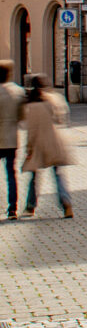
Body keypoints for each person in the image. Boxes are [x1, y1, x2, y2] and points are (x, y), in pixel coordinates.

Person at [19, 74, 71, 219]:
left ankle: (30, 206)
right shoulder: (56, 99)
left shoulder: (31, 105)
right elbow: (62, 120)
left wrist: (28, 149)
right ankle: (66, 202)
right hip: (55, 141)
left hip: (38, 143)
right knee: (58, 174)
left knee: (34, 176)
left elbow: (30, 130)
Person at [0, 61, 23, 220]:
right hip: (11, 138)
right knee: (11, 173)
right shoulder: (17, 91)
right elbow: (22, 116)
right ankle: (12, 209)